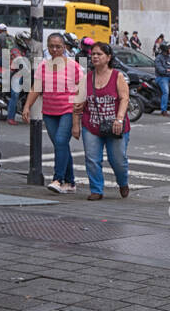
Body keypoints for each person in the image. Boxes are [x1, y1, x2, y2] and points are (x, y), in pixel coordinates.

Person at [22, 33, 84, 194]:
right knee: (60, 145)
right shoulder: (43, 65)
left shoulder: (74, 66)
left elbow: (81, 91)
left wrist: (77, 118)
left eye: (58, 46)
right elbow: (36, 87)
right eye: (51, 46)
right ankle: (70, 183)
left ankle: (58, 179)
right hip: (49, 111)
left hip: (68, 110)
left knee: (61, 141)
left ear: (64, 47)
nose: (55, 49)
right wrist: (27, 106)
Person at [73, 41, 131, 200]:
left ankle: (123, 182)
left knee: (118, 160)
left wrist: (119, 120)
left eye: (99, 54)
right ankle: (96, 190)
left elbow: (124, 99)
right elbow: (77, 103)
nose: (95, 57)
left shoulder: (117, 76)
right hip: (91, 125)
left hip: (115, 126)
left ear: (108, 57)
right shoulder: (87, 78)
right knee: (92, 159)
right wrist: (75, 125)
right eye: (93, 54)